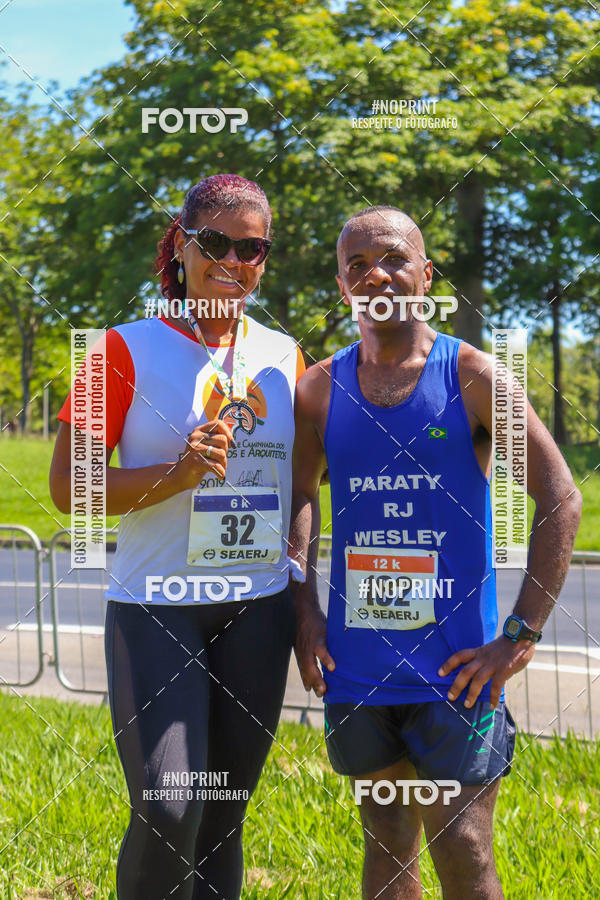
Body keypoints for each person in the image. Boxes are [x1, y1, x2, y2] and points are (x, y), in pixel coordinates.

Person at [290, 205, 582, 899]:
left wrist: (519, 635)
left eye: (392, 258)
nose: (376, 275)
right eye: (357, 265)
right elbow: (300, 496)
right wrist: (303, 612)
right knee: (386, 845)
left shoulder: (473, 376)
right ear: (342, 287)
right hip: (357, 668)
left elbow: (561, 499)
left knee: (466, 847)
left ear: (427, 273)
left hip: (458, 672)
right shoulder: (319, 389)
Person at [49, 174, 305, 900]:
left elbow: (302, 487)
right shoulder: (116, 350)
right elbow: (71, 491)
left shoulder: (286, 357)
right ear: (183, 247)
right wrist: (177, 473)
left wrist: (300, 578)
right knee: (170, 806)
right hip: (157, 608)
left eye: (251, 247)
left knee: (223, 814)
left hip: (258, 609)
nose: (234, 260)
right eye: (215, 242)